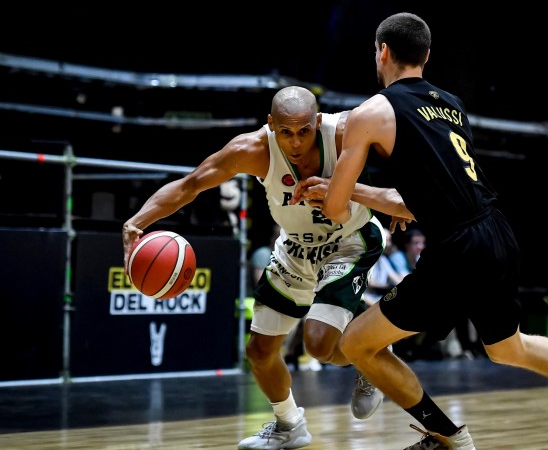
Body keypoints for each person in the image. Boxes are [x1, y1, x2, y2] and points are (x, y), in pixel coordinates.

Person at [295, 12, 548, 450]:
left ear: (382, 53)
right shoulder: (451, 103)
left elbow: (337, 207)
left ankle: (448, 437)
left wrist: (333, 191)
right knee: (509, 348)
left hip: (457, 248)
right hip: (496, 232)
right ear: (426, 56)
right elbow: (415, 200)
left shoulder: (371, 112)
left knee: (357, 344)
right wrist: (367, 194)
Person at [122, 86, 414, 450]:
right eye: (286, 132)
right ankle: (290, 425)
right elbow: (191, 185)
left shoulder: (342, 132)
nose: (296, 142)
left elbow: (409, 147)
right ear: (271, 124)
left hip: (348, 241)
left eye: (304, 131)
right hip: (294, 247)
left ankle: (369, 359)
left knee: (320, 344)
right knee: (259, 352)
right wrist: (137, 221)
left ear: (317, 121)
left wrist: (402, 197)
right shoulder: (252, 150)